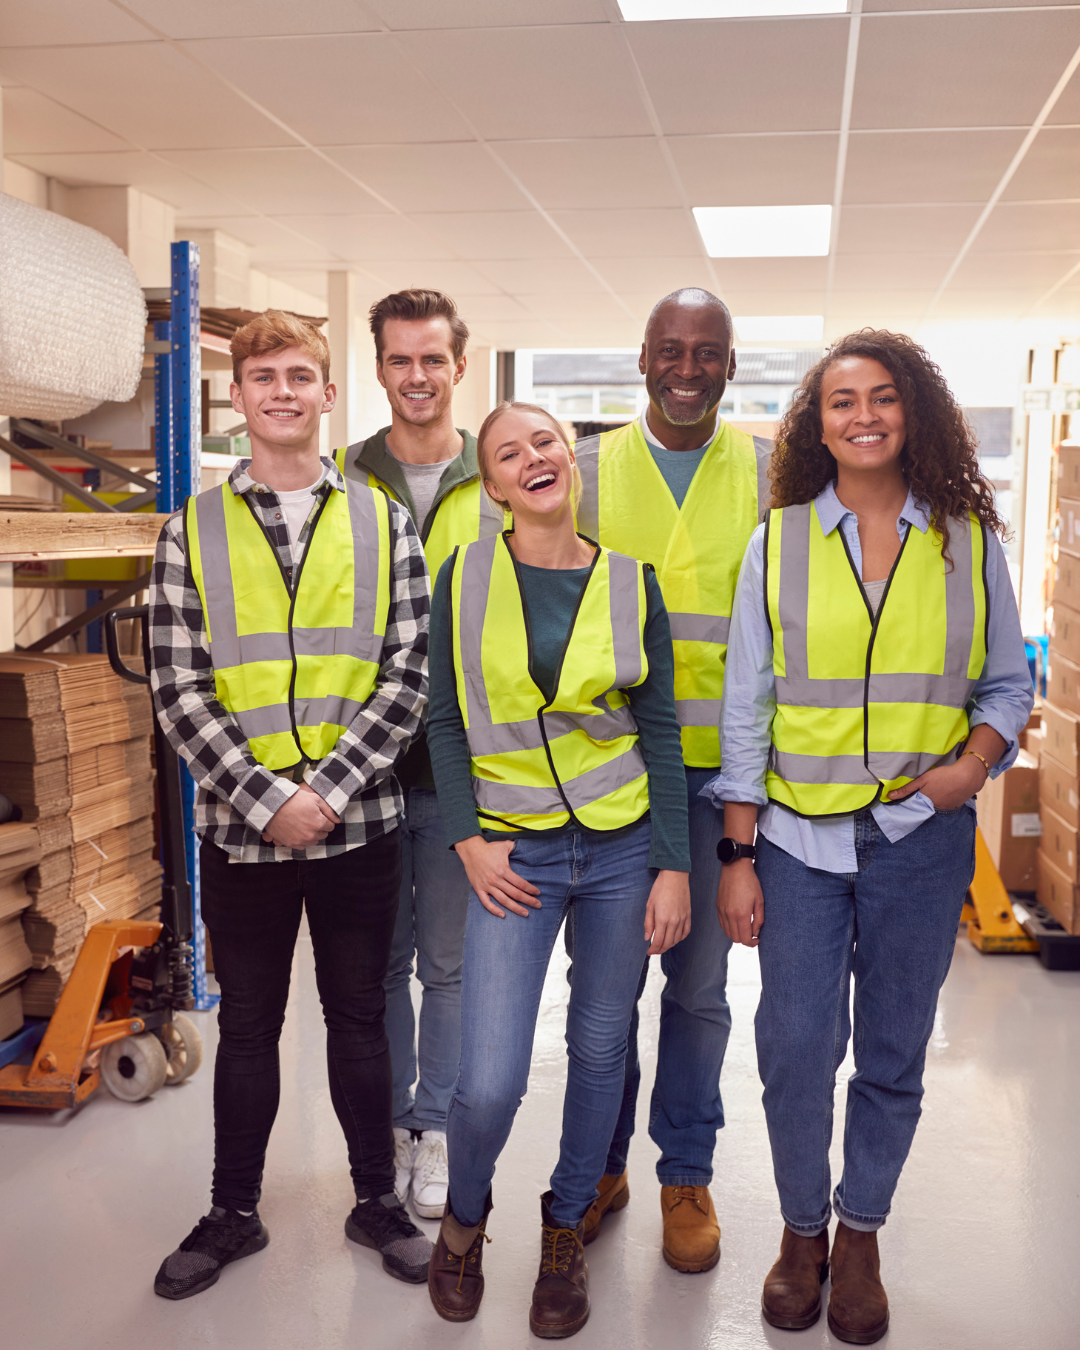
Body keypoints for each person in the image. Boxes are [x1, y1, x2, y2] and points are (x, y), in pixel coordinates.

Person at [709, 330, 1032, 1343]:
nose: (863, 416)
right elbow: (746, 704)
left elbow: (1007, 685)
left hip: (919, 838)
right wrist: (736, 851)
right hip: (800, 841)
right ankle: (801, 1230)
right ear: (818, 424)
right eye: (841, 401)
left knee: (893, 1054)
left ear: (913, 415)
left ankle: (860, 1236)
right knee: (796, 1048)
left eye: (882, 398)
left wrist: (970, 771)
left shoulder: (970, 542)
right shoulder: (780, 541)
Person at [149, 310, 434, 1298]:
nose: (281, 391)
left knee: (359, 1018)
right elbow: (178, 688)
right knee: (251, 1027)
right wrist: (268, 798)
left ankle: (376, 1201)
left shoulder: (382, 522)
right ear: (239, 398)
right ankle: (232, 1212)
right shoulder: (190, 531)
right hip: (241, 829)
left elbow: (407, 674)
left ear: (326, 395)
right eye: (262, 375)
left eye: (299, 375)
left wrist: (329, 790)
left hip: (359, 828)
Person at [424, 402, 691, 1338]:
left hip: (621, 850)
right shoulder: (461, 579)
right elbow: (445, 721)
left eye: (544, 443)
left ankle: (565, 1223)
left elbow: (659, 727)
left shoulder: (630, 582)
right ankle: (465, 1217)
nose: (534, 458)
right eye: (509, 452)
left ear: (565, 463)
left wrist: (673, 865)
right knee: (490, 1078)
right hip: (514, 855)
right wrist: (468, 840)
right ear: (492, 484)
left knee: (602, 1048)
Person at [572, 287, 771, 1272]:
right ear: (641, 356)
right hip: (610, 776)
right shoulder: (584, 471)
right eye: (670, 350)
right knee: (605, 992)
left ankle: (683, 1173)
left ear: (731, 364)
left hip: (718, 782)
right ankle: (600, 1164)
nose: (686, 370)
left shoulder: (773, 471)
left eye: (707, 353)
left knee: (697, 993)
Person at [335, 289, 503, 1220]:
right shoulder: (343, 477)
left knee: (447, 963)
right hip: (362, 768)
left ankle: (434, 1128)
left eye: (432, 359)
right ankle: (392, 1129)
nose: (416, 377)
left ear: (457, 366)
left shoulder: (502, 473)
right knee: (376, 964)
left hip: (461, 770)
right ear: (380, 369)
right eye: (399, 361)